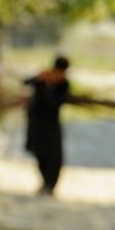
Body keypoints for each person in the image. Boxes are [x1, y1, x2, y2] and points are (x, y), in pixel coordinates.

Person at [23, 55, 75, 196]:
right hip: (37, 123)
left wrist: (49, 85)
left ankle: (50, 185)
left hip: (51, 124)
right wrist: (43, 80)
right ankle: (45, 183)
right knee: (40, 154)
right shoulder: (43, 78)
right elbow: (25, 82)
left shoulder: (63, 84)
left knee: (53, 156)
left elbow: (55, 103)